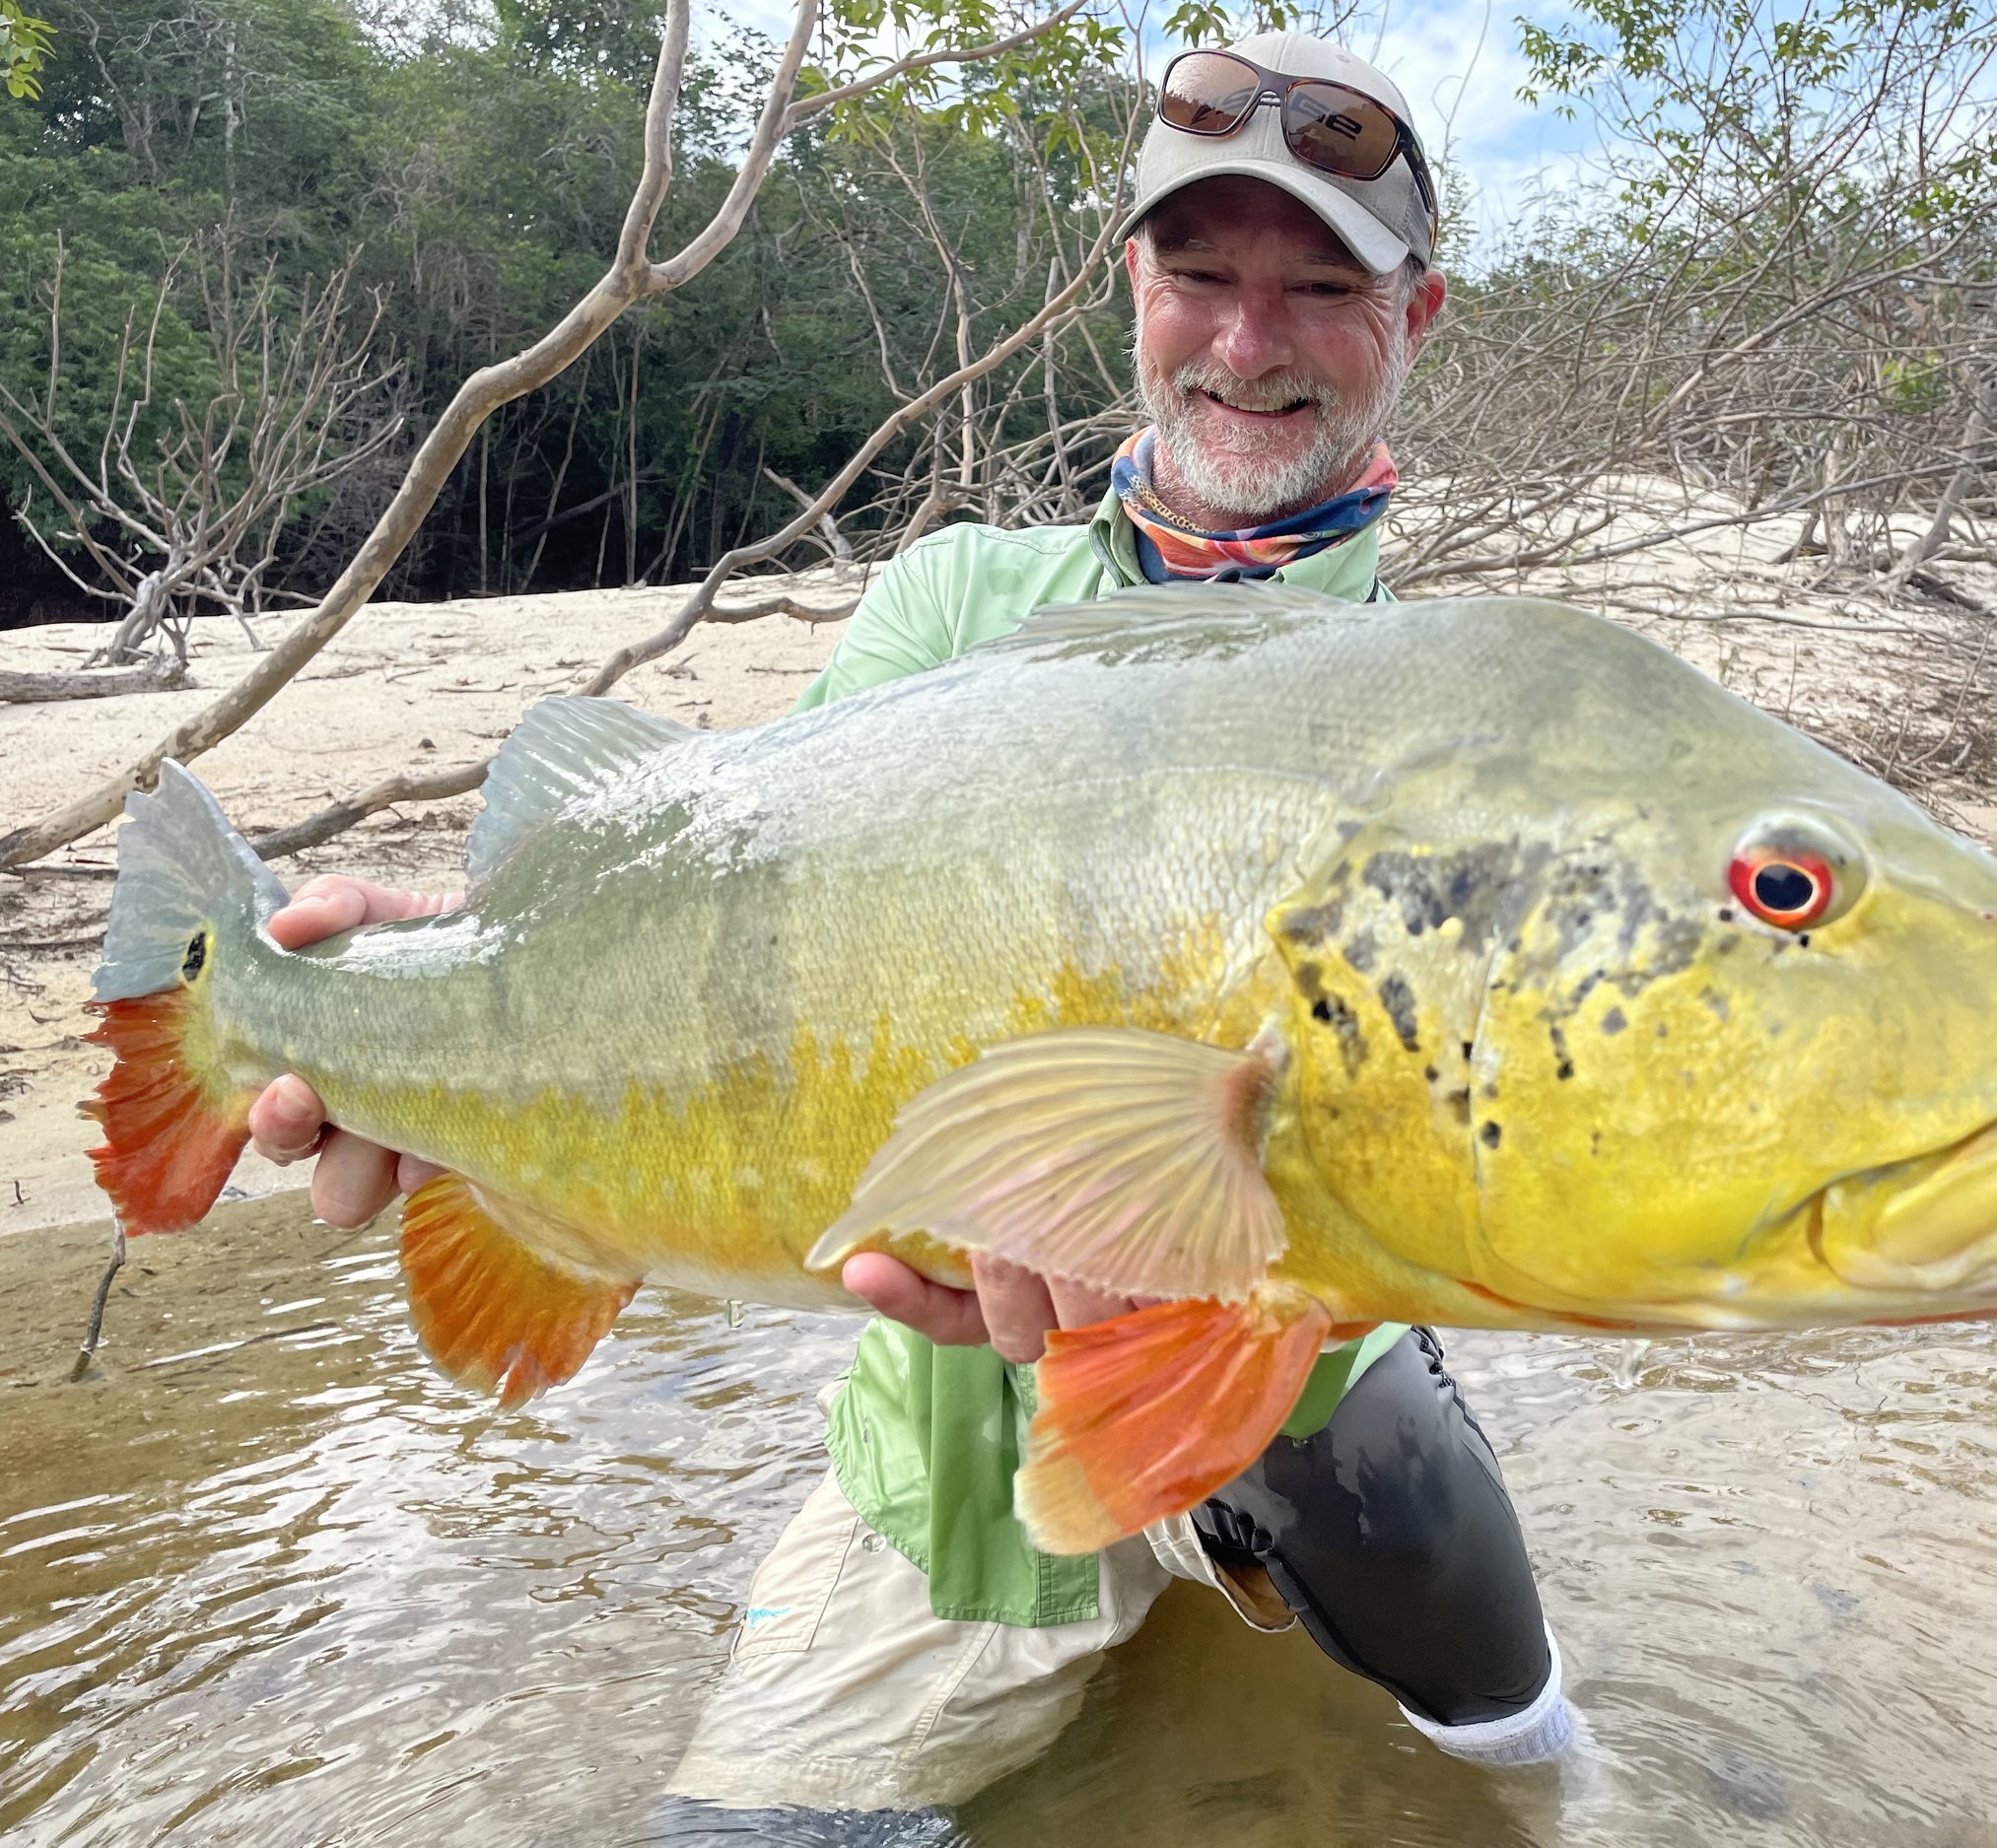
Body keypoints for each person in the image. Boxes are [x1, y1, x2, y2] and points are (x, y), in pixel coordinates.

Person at [244, 33, 1576, 1839]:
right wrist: (480, 967)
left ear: (1412, 318)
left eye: (1319, 289)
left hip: (1299, 1428)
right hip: (957, 1451)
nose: (1248, 345)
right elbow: (746, 889)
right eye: (1200, 277)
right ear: (1134, 289)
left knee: (1528, 1783)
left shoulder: (1461, 713)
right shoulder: (955, 599)